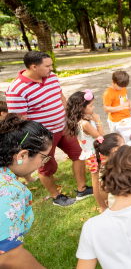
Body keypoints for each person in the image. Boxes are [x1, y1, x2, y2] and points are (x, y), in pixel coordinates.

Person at [6, 51, 91, 207]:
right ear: (34, 66)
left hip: (63, 127)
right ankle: (56, 197)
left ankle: (82, 189)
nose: (52, 69)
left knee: (79, 155)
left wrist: (69, 117)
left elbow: (61, 97)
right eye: (48, 66)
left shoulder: (52, 78)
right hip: (41, 138)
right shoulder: (16, 89)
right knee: (47, 167)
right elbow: (19, 122)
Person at [0, 114, 53, 269]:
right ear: (22, 155)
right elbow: (9, 257)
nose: (43, 163)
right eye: (43, 157)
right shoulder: (8, 190)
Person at [64, 90, 106, 211]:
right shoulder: (84, 123)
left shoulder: (83, 119)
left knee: (99, 179)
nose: (93, 107)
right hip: (94, 155)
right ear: (81, 108)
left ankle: (104, 202)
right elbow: (100, 137)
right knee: (96, 181)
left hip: (94, 153)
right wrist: (98, 120)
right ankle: (102, 206)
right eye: (91, 105)